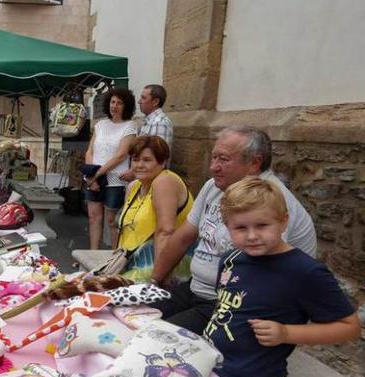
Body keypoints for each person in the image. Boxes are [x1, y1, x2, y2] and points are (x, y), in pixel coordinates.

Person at [204, 177, 358, 377]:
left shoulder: (305, 272)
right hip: (210, 370)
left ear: (283, 221)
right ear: (227, 226)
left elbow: (349, 327)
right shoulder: (231, 260)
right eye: (241, 228)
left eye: (262, 225)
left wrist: (287, 333)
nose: (252, 235)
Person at [150, 126, 317, 333]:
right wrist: (154, 281)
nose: (213, 167)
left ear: (254, 163)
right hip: (197, 288)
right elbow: (184, 236)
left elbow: (263, 277)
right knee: (134, 315)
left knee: (155, 339)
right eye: (213, 157)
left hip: (230, 304)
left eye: (223, 159)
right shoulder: (214, 186)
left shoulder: (270, 199)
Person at [117, 135, 193, 283]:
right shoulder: (134, 186)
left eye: (147, 160)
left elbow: (165, 232)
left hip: (159, 268)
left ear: (162, 162)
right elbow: (125, 230)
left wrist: (158, 280)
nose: (139, 165)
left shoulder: (165, 181)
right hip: (132, 264)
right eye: (135, 159)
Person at [84, 87, 137, 249]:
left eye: (120, 103)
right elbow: (90, 151)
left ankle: (112, 259)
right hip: (94, 176)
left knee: (112, 220)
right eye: (113, 102)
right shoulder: (100, 125)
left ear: (126, 106)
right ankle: (92, 255)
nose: (115, 106)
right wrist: (90, 176)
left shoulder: (130, 126)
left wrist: (96, 174)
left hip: (115, 179)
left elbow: (121, 155)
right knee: (94, 218)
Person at [137, 84, 173, 149]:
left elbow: (159, 155)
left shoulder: (160, 122)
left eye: (143, 98)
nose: (139, 101)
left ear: (155, 102)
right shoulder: (148, 120)